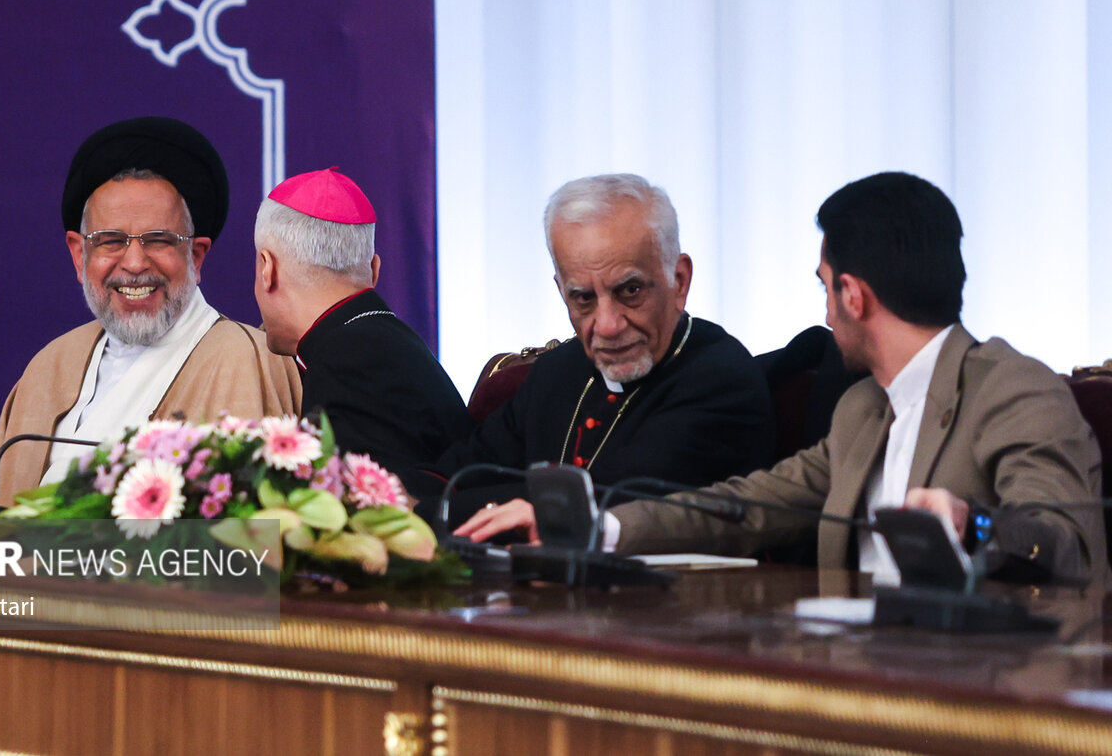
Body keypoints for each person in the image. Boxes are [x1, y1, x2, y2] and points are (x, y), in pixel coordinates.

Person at [464, 172, 1107, 587]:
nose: (823, 313)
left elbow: (1067, 544)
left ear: (853, 295)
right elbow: (745, 509)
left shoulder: (1014, 391)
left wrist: (976, 527)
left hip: (994, 694)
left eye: (826, 288)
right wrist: (599, 529)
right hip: (857, 672)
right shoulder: (864, 411)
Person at [0, 117, 301, 504]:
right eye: (111, 241)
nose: (135, 263)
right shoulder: (49, 367)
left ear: (196, 255)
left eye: (159, 240)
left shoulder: (248, 360)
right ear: (78, 255)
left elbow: (249, 543)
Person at [448, 173, 775, 527]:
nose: (607, 326)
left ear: (679, 281)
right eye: (583, 298)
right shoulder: (556, 372)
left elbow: (604, 503)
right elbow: (456, 476)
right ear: (562, 292)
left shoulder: (720, 379)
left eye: (630, 291)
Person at [253, 167, 471, 496]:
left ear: (267, 269)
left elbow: (363, 527)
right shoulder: (378, 341)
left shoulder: (347, 363)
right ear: (374, 270)